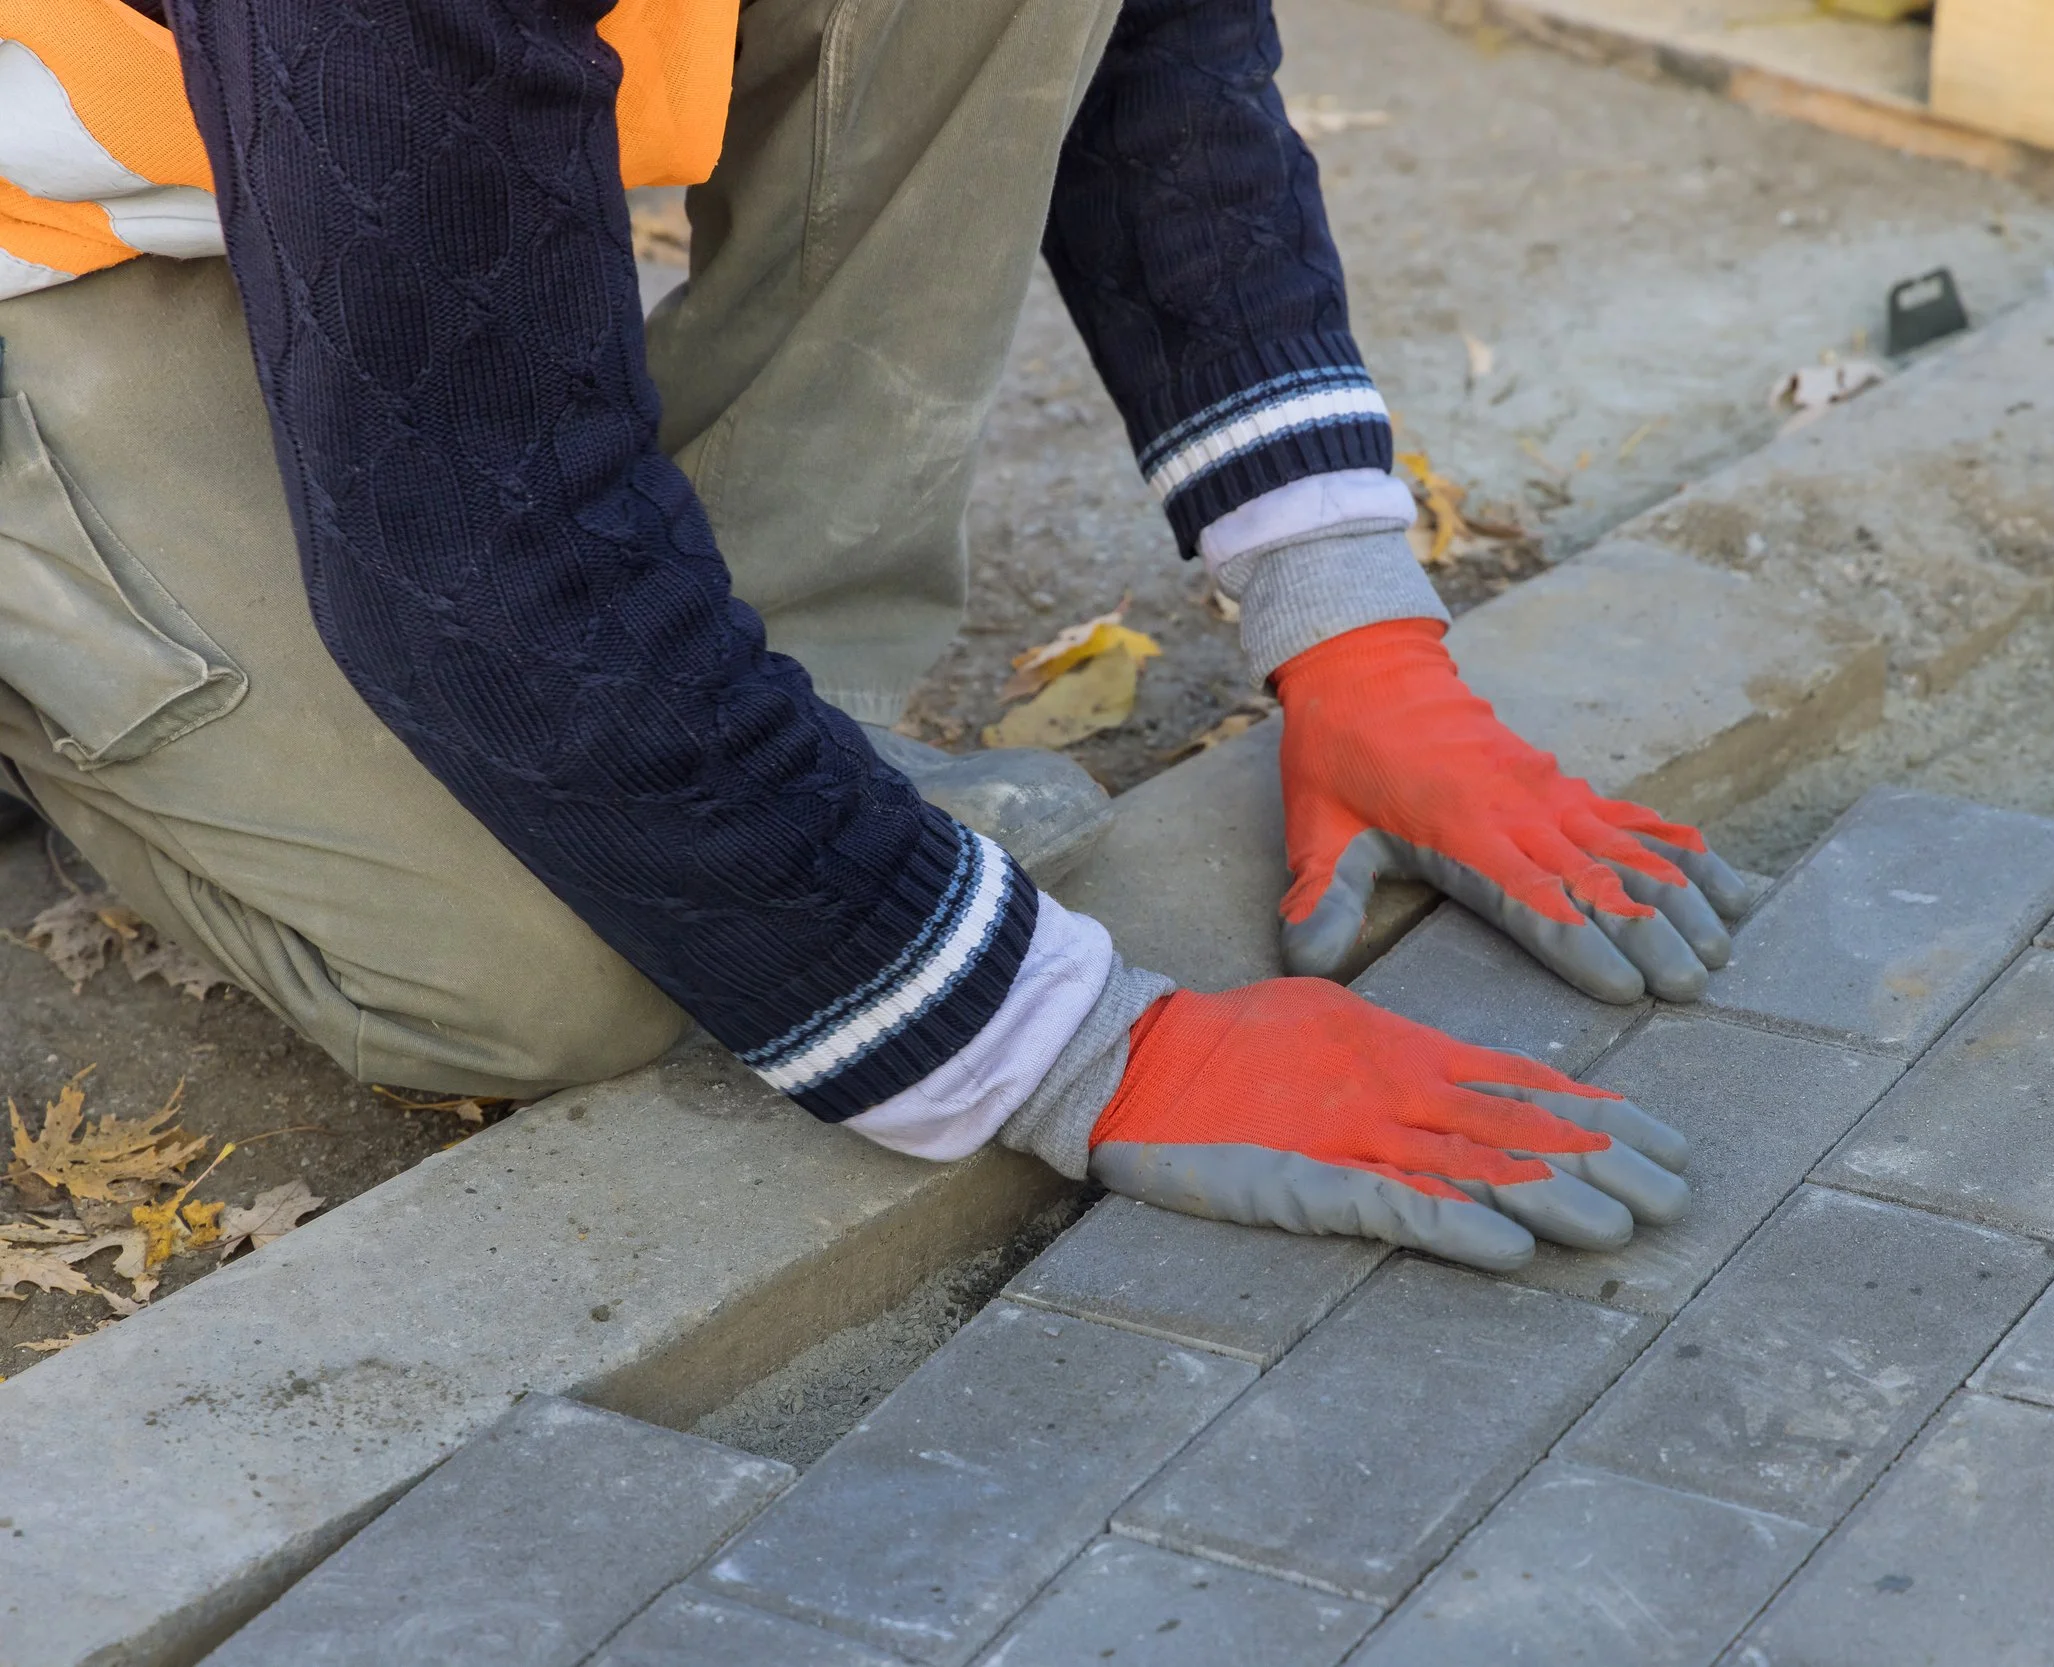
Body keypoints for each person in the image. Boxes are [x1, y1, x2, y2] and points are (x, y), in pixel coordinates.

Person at [0, 0, 1751, 1273]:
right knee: (552, 975)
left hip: (376, 158)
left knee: (712, 872)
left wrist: (1351, 622)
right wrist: (1086, 1049)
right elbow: (460, 539)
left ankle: (750, 777)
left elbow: (1147, 44)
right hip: (59, 245)